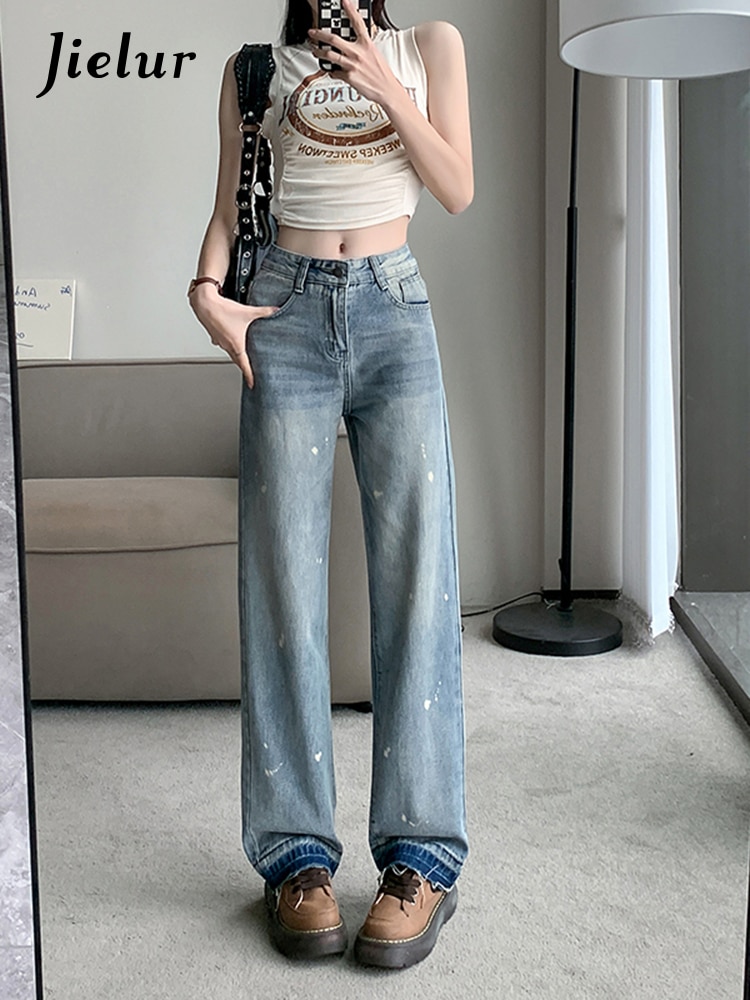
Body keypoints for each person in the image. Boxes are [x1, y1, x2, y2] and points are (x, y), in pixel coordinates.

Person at [188, 0, 474, 970]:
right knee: (281, 589)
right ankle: (296, 858)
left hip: (395, 309)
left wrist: (385, 83)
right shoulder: (253, 70)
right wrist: (207, 296)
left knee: (419, 586)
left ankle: (420, 860)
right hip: (284, 315)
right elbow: (228, 213)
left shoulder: (429, 47)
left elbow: (456, 186)